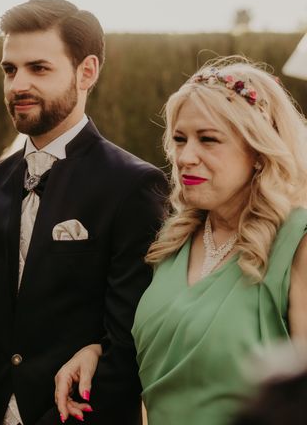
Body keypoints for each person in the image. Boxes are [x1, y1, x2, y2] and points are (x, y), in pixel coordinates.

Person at [0, 0, 167, 425]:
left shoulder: (132, 185)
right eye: (10, 70)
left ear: (87, 71)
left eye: (38, 68)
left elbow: (127, 343)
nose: (17, 84)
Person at [127, 57, 307, 424]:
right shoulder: (171, 239)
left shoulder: (297, 244)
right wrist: (95, 351)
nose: (184, 157)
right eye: (179, 139)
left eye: (207, 139)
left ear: (258, 152)